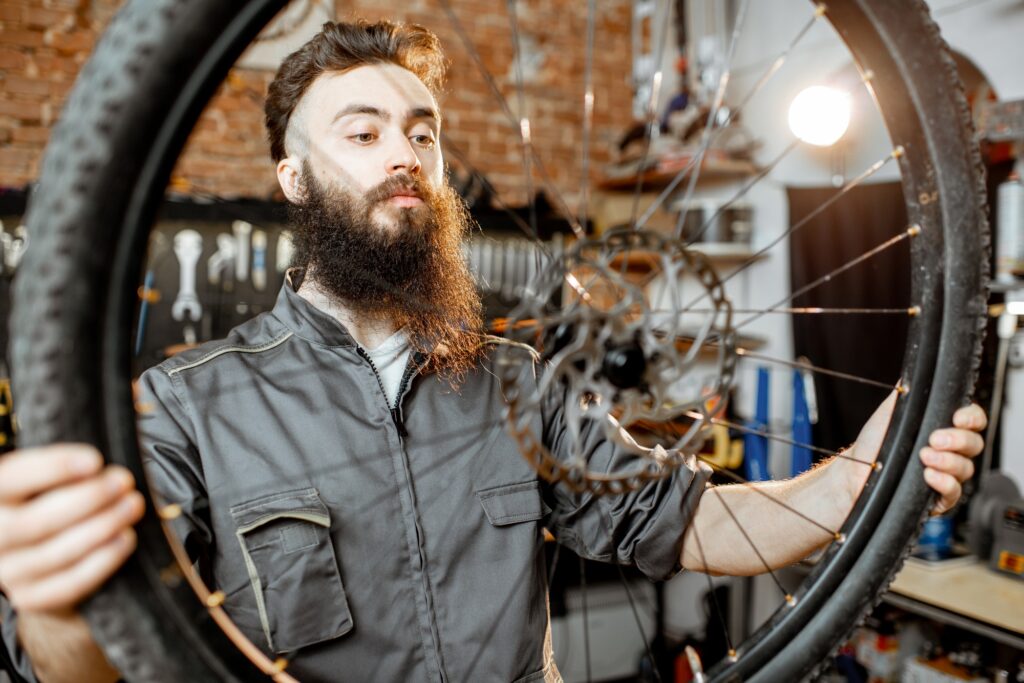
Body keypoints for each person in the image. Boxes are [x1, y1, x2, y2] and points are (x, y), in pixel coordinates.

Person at [0, 20, 986, 683]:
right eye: (363, 130)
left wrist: (865, 469)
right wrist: (57, 595)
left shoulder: (515, 379)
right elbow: (85, 658)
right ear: (293, 177)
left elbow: (685, 523)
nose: (405, 155)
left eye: (421, 133)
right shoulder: (183, 408)